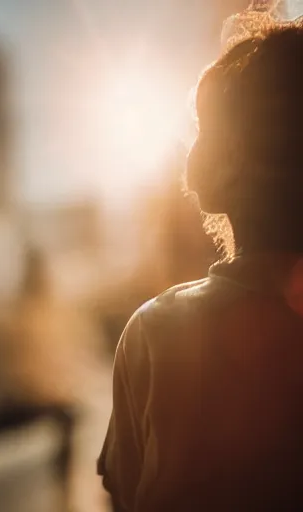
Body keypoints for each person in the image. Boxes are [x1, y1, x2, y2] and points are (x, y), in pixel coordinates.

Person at [98, 14, 303, 512]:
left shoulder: (157, 330)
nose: (189, 147)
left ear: (232, 156)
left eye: (202, 129)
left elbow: (123, 494)